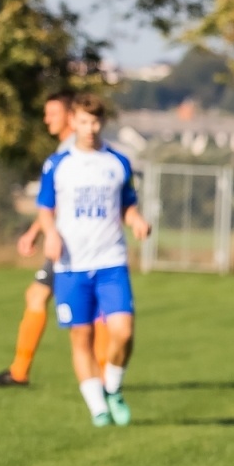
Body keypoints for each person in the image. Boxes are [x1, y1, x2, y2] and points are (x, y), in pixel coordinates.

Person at [0, 92, 111, 387]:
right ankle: (22, 370)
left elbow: (60, 204)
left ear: (69, 116)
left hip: (71, 245)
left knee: (82, 309)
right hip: (66, 241)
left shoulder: (73, 151)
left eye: (52, 113)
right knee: (44, 297)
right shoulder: (69, 149)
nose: (46, 119)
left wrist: (34, 233)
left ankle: (98, 376)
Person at [37, 93, 150, 426]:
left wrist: (136, 220)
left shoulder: (118, 162)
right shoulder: (57, 165)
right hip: (71, 265)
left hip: (111, 261)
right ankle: (97, 407)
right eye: (84, 121)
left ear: (103, 122)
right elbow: (45, 209)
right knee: (81, 337)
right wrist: (51, 233)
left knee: (123, 332)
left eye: (96, 121)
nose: (90, 128)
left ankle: (112, 388)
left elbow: (127, 204)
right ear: (73, 121)